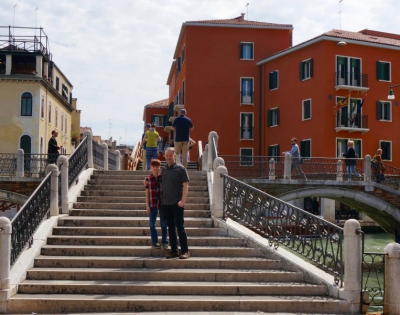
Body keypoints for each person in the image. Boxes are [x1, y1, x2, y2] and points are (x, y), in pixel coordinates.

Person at [162, 147, 190, 259]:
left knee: (180, 227)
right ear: (165, 156)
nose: (168, 157)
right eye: (167, 155)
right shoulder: (163, 170)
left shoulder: (181, 169)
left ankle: (185, 251)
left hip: (177, 203)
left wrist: (183, 201)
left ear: (174, 156)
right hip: (166, 203)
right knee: (171, 228)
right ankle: (174, 250)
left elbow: (186, 185)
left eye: (170, 155)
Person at [144, 159, 168, 249]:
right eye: (154, 166)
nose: (156, 168)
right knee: (152, 224)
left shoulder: (163, 178)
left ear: (159, 167)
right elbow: (147, 193)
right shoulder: (147, 179)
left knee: (163, 223)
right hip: (152, 203)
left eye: (157, 166)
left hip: (162, 203)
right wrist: (147, 205)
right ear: (151, 167)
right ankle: (155, 241)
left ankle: (165, 241)